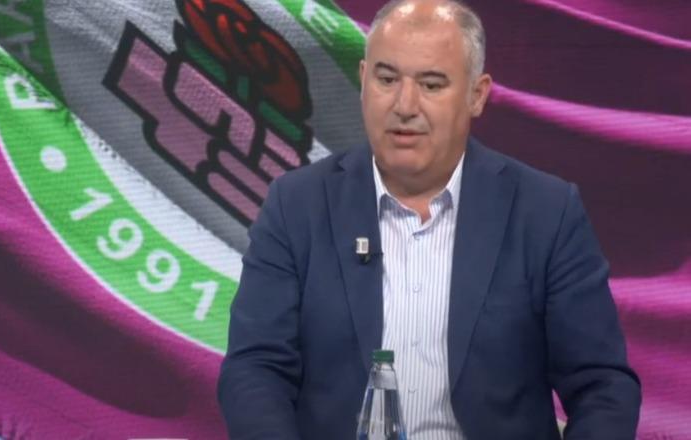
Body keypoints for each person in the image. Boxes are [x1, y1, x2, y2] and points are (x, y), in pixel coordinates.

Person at [217, 0, 641, 438]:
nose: (405, 105)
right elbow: (255, 368)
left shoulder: (545, 213)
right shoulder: (297, 205)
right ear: (363, 80)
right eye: (386, 79)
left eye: (431, 84)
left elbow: (603, 387)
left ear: (477, 95)